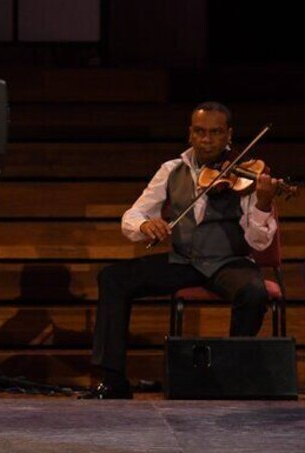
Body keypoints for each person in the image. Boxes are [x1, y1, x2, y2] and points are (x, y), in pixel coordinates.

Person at [87, 101, 280, 399]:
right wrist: (144, 227)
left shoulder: (246, 174)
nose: (207, 139)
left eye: (215, 132)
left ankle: (232, 376)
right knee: (113, 278)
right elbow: (132, 216)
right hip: (184, 261)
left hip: (229, 262)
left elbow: (259, 243)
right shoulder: (171, 170)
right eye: (200, 131)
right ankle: (113, 380)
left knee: (253, 292)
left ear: (228, 135)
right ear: (190, 134)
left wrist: (264, 205)